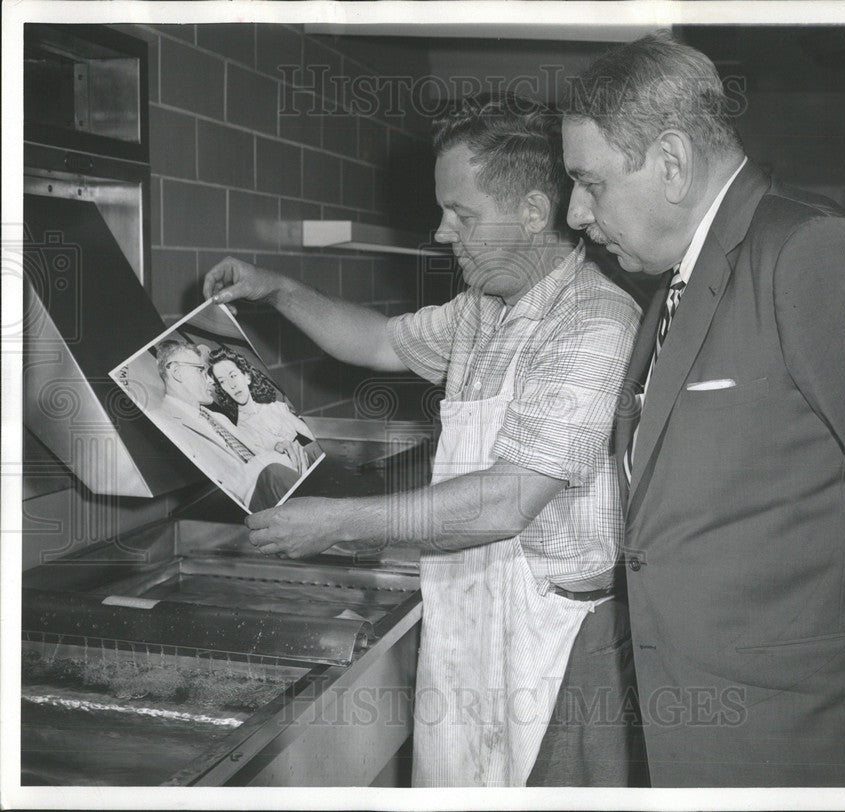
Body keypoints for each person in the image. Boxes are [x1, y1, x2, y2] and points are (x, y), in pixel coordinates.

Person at [561, 31, 845, 787]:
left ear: (673, 163)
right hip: (693, 727)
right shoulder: (675, 287)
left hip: (804, 739)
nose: (576, 213)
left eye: (590, 183)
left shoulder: (814, 256)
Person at [203, 94, 644, 787]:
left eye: (461, 215)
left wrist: (341, 522)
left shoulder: (594, 323)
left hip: (548, 647)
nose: (443, 234)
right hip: (465, 610)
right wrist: (279, 290)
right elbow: (377, 341)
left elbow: (506, 501)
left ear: (532, 213)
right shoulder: (481, 309)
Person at [145, 339, 301, 511]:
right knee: (277, 474)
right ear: (177, 373)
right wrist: (266, 463)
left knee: (311, 450)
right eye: (201, 371)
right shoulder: (160, 423)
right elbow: (209, 487)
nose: (212, 382)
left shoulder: (217, 417)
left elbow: (256, 446)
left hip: (273, 482)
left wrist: (279, 446)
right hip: (243, 503)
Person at [208, 346, 322, 475]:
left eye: (233, 376)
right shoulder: (241, 431)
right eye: (223, 381)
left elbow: (312, 434)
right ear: (223, 389)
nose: (231, 385)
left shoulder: (274, 406)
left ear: (247, 377)